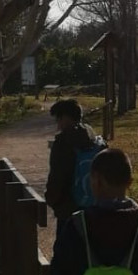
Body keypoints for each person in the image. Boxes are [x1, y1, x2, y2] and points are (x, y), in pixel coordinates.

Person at [45, 98, 104, 239]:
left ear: (65, 118)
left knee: (65, 252)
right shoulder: (94, 140)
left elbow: (57, 177)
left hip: (69, 208)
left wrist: (51, 199)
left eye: (58, 119)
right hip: (95, 208)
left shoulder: (63, 143)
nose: (58, 125)